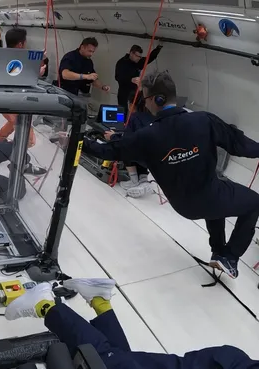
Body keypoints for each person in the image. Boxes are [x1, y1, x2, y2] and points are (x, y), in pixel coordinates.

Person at [82, 70, 259, 279]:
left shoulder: (146, 136)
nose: (145, 104)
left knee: (218, 198)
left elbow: (109, 150)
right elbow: (240, 145)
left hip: (183, 206)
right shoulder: (204, 121)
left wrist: (78, 139)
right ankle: (229, 256)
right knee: (253, 202)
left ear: (157, 99)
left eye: (146, 99)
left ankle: (219, 251)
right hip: (210, 196)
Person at [5, 278, 258, 368]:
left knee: (126, 360)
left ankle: (100, 300)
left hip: (230, 362)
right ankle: (45, 306)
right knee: (107, 362)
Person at [0, 28, 47, 176]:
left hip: (6, 102)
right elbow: (22, 80)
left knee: (12, 125)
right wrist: (38, 73)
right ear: (21, 44)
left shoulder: (3, 57)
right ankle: (15, 159)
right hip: (15, 103)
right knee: (29, 140)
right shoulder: (20, 60)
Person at [103, 92, 155, 198]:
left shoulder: (134, 118)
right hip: (154, 158)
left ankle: (134, 180)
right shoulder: (153, 117)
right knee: (142, 148)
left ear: (131, 105)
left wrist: (113, 136)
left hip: (139, 155)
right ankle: (143, 180)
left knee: (125, 148)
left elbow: (126, 141)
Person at [115, 44, 163, 111]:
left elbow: (149, 58)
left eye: (140, 57)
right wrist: (130, 79)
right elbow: (118, 77)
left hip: (135, 93)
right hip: (124, 94)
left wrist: (158, 48)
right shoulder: (121, 63)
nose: (139, 58)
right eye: (137, 56)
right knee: (123, 113)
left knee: (135, 113)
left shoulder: (138, 62)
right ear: (131, 53)